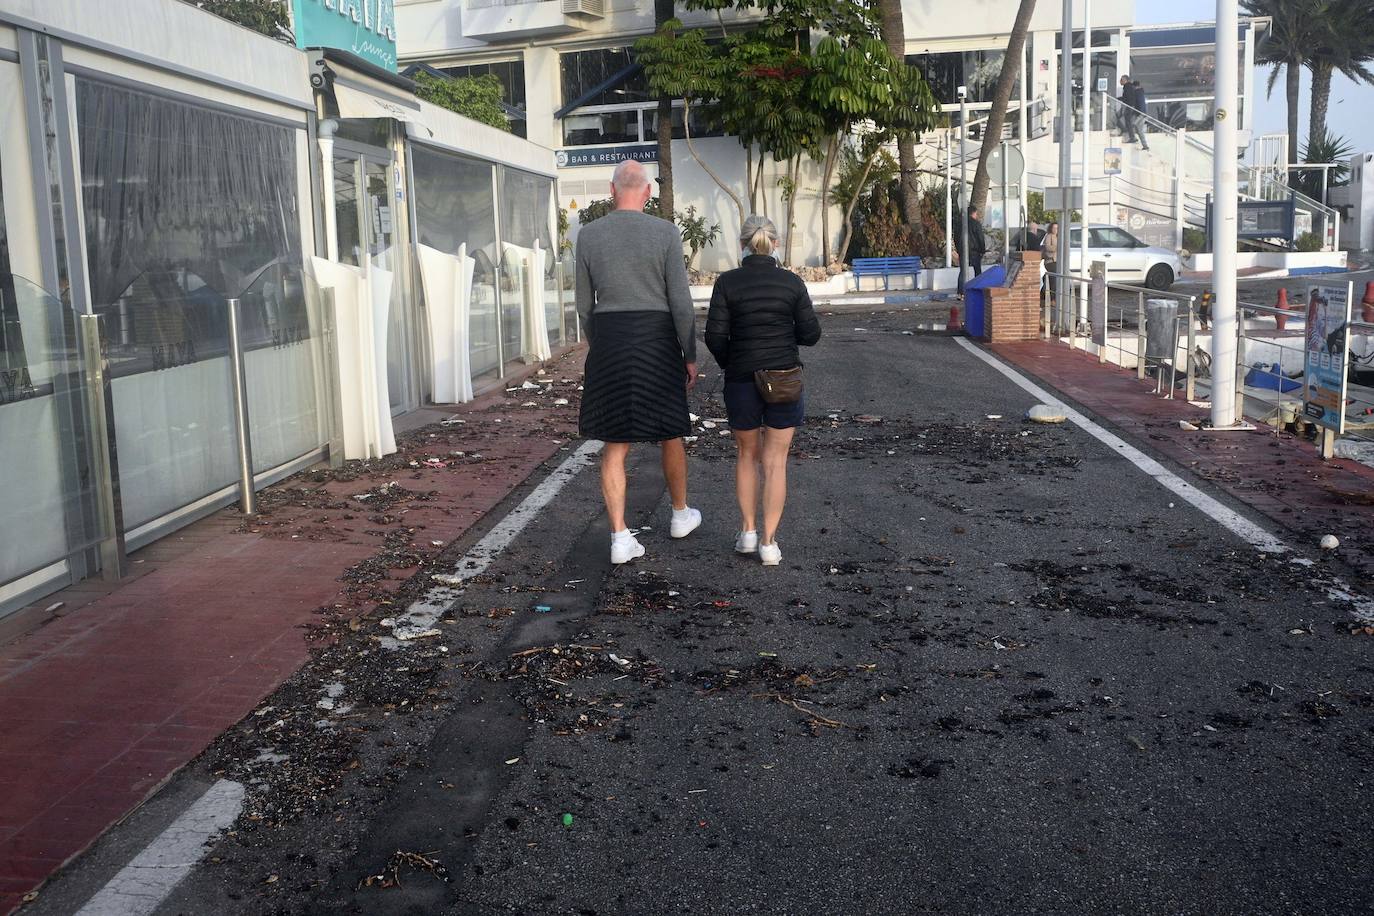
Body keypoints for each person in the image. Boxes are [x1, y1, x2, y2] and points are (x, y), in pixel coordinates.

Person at [576, 159, 702, 565]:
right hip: (656, 338)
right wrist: (689, 354)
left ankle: (619, 536)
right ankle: (680, 514)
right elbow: (681, 303)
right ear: (647, 192)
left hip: (611, 338)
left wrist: (600, 345)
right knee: (670, 432)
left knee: (615, 443)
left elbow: (583, 306)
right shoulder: (665, 232)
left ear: (612, 191)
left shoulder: (589, 235)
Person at [704, 215, 821, 567]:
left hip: (741, 379)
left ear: (742, 244)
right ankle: (769, 543)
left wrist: (732, 361)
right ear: (776, 244)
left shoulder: (727, 283)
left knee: (745, 455)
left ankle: (748, 531)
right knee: (775, 462)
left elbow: (714, 336)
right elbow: (811, 334)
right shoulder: (791, 283)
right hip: (784, 378)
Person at [956, 205, 987, 296]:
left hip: (963, 251)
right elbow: (980, 238)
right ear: (974, 213)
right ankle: (978, 290)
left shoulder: (960, 224)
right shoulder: (976, 224)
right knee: (977, 271)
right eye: (976, 214)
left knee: (963, 271)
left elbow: (956, 237)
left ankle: (960, 293)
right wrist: (982, 250)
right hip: (974, 251)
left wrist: (959, 249)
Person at [1130, 78, 1150, 150]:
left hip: (1140, 114)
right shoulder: (1140, 92)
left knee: (1134, 126)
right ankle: (1144, 145)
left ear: (1134, 86)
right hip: (1142, 113)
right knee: (1138, 129)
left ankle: (1144, 145)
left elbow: (1138, 104)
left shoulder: (1137, 93)